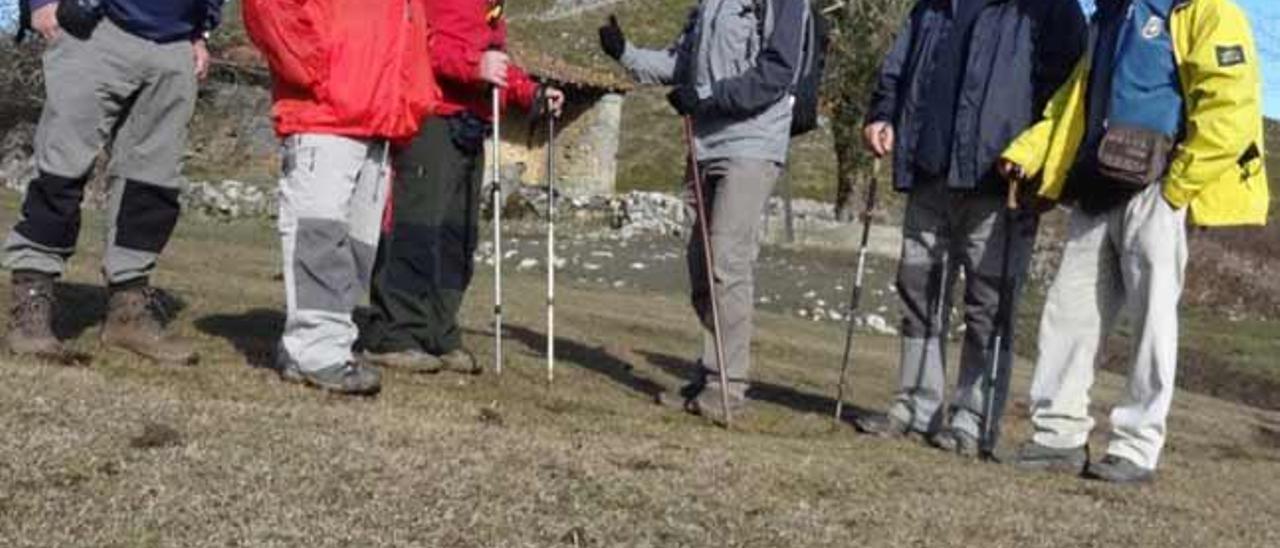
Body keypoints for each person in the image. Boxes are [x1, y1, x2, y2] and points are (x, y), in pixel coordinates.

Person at [1001, 0, 1268, 483]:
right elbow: (1071, 104)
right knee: (1069, 314)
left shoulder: (1205, 10)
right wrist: (1028, 151)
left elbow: (1231, 108)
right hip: (1094, 185)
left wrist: (1176, 189)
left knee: (1152, 322)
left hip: (1156, 190)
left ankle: (1136, 448)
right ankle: (1056, 436)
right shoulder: (1108, 13)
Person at [854, 0, 1086, 456]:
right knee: (918, 293)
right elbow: (896, 70)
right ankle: (914, 407)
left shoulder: (1049, 9)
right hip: (928, 173)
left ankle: (973, 419)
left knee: (988, 308)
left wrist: (1037, 167)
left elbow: (1065, 100)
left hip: (1000, 185)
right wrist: (881, 115)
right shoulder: (933, 6)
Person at [597, 0, 807, 424]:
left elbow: (777, 73)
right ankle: (708, 373)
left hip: (752, 144)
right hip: (705, 145)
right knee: (701, 266)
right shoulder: (710, 4)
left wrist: (707, 96)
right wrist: (626, 53)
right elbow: (681, 64)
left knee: (727, 262)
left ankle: (727, 385)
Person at [3, 0, 224, 365]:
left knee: (153, 183)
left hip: (174, 44)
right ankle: (31, 306)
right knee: (62, 170)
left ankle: (129, 312)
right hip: (96, 27)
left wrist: (200, 31)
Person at [243, 0, 440, 395]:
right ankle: (316, 351)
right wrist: (315, 71)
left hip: (379, 122)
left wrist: (409, 100)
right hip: (327, 115)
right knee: (319, 234)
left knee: (356, 247)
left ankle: (329, 344)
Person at [360, 0, 563, 375]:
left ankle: (439, 331)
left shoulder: (491, 6)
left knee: (457, 235)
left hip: (471, 124)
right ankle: (394, 333)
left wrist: (530, 92)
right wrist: (474, 66)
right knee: (416, 226)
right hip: (431, 115)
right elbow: (415, 42)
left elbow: (492, 61)